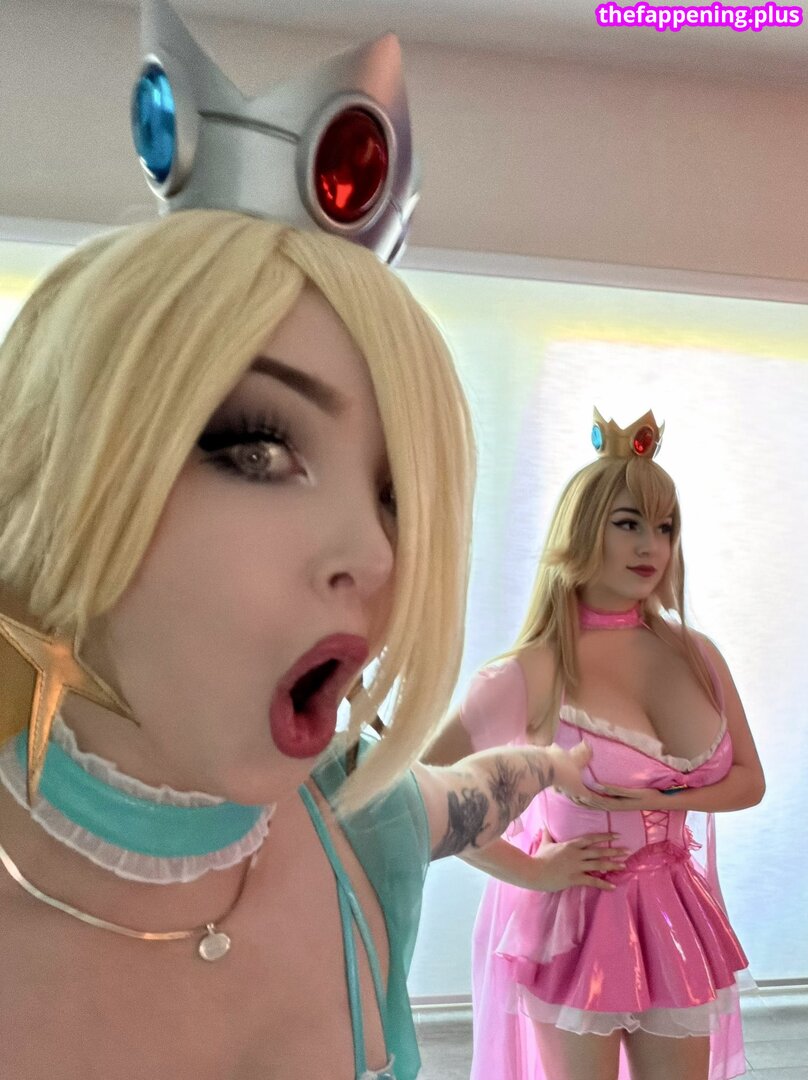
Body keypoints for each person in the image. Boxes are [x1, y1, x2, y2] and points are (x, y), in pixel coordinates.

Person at [0, 7, 594, 1079]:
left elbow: (470, 794)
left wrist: (562, 763)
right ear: (63, 459)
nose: (377, 556)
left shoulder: (355, 824)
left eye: (397, 497)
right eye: (258, 447)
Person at [424, 409, 765, 1080]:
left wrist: (662, 797)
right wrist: (528, 871)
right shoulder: (530, 671)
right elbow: (422, 790)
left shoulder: (696, 655)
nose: (650, 546)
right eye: (628, 524)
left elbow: (750, 780)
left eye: (665, 528)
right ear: (582, 531)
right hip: (573, 925)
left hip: (675, 910)